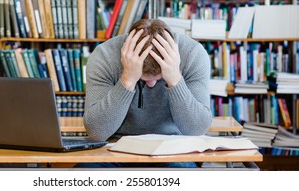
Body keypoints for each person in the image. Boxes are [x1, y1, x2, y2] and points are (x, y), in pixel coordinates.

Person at [77, 19, 212, 168]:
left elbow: (197, 129)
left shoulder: (193, 54)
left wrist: (174, 79)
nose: (151, 85)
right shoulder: (105, 55)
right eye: (143, 78)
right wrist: (127, 79)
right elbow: (97, 132)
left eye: (158, 78)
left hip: (173, 150)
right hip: (114, 148)